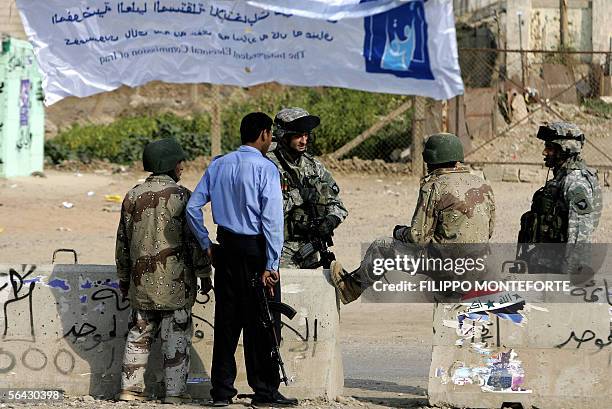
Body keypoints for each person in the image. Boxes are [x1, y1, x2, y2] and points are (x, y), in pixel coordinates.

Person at [186, 112, 297, 407]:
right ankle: (265, 392)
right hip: (255, 252)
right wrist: (271, 265)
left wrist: (206, 243)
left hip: (225, 250)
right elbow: (272, 221)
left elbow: (193, 207)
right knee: (263, 320)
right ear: (263, 134)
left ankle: (221, 392)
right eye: (270, 134)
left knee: (226, 322)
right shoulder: (266, 169)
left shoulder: (218, 165)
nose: (271, 139)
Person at [330, 133, 496, 304]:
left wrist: (399, 232)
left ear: (430, 161)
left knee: (381, 247)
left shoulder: (434, 186)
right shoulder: (482, 184)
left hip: (448, 268)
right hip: (479, 267)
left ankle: (350, 288)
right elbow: (489, 231)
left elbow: (418, 238)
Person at [115, 138, 212, 404]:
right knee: (176, 337)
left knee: (138, 334)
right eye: (180, 161)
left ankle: (130, 390)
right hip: (176, 284)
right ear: (171, 164)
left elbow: (122, 242)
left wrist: (124, 278)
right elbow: (194, 241)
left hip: (141, 282)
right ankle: (175, 393)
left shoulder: (132, 195)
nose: (183, 166)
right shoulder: (183, 197)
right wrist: (205, 274)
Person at [516, 122, 602, 274]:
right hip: (546, 261)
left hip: (558, 268)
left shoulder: (575, 182)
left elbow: (579, 233)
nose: (544, 152)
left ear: (564, 150)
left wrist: (570, 272)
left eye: (549, 147)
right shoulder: (562, 177)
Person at [267, 107, 348, 269]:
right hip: (279, 249)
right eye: (298, 136)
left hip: (310, 248)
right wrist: (299, 195)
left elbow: (338, 206)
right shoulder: (267, 165)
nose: (304, 141)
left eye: (306, 135)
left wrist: (331, 220)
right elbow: (265, 211)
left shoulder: (314, 166)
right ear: (284, 136)